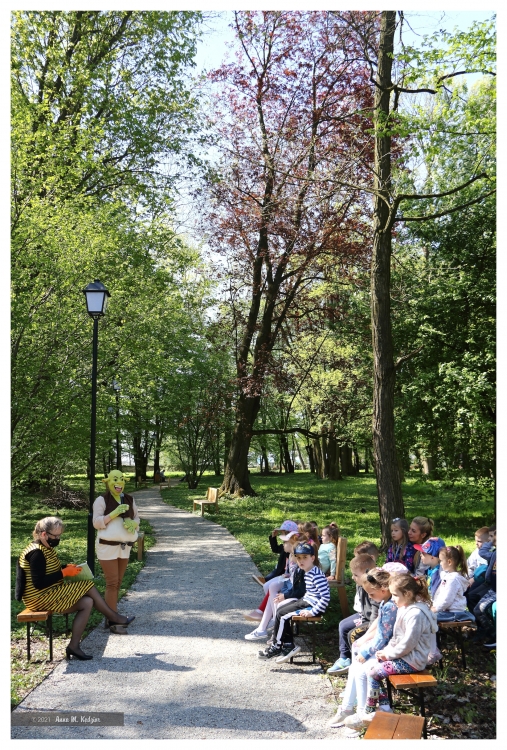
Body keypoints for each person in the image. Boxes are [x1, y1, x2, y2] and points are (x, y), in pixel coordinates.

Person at [16, 517, 134, 660]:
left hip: (49, 594)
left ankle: (73, 646)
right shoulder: (36, 553)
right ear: (43, 534)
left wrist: (65, 567)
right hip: (39, 598)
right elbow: (39, 583)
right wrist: (64, 573)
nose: (58, 539)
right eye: (55, 536)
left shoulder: (45, 547)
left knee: (87, 602)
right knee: (87, 585)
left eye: (59, 535)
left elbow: (45, 570)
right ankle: (113, 617)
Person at [353, 573, 438, 728]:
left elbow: (407, 644)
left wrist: (389, 655)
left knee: (373, 672)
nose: (392, 599)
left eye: (395, 595)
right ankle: (385, 708)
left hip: (413, 661)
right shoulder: (404, 608)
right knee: (373, 668)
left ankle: (369, 711)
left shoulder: (415, 614)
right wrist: (386, 651)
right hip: (405, 656)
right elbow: (396, 637)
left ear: (408, 594)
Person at [328, 569, 397, 728]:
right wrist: (363, 640)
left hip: (389, 651)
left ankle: (361, 715)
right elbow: (378, 625)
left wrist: (367, 652)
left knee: (361, 671)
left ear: (383, 589)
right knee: (355, 666)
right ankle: (348, 709)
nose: (370, 597)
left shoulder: (391, 606)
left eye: (371, 594)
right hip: (383, 648)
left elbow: (384, 636)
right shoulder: (385, 601)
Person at [258, 540, 330, 664]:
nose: (301, 561)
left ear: (312, 558)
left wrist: (313, 612)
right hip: (306, 601)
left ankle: (276, 646)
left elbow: (325, 597)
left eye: (305, 557)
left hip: (312, 606)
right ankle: (288, 644)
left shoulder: (316, 574)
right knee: (280, 610)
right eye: (298, 558)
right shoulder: (308, 571)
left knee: (282, 614)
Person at [93, 469, 140, 634]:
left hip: (124, 547)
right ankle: (114, 621)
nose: (118, 483)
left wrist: (134, 524)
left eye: (121, 479)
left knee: (118, 583)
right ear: (108, 482)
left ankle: (110, 617)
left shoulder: (129, 499)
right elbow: (96, 522)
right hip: (107, 547)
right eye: (114, 479)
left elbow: (137, 518)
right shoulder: (101, 500)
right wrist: (113, 514)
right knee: (112, 583)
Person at [244, 530, 302, 640]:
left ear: (292, 544)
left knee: (274, 591)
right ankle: (267, 625)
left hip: (293, 592)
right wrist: (287, 575)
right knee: (271, 587)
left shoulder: (299, 559)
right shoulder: (291, 556)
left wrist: (285, 594)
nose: (283, 545)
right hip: (289, 585)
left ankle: (273, 625)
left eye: (285, 542)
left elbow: (300, 585)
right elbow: (292, 573)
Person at [327, 553, 379, 675]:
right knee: (343, 625)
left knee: (352, 634)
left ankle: (358, 662)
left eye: (356, 575)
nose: (352, 577)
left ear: (367, 573)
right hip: (364, 616)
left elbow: (375, 613)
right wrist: (361, 618)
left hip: (372, 622)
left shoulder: (373, 587)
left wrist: (369, 628)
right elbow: (363, 607)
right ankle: (345, 658)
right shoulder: (360, 584)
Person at [431, 545, 475, 622]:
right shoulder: (448, 576)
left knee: (428, 617)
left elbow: (447, 600)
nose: (440, 563)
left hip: (453, 613)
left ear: (449, 562)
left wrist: (435, 609)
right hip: (447, 611)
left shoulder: (453, 579)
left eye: (441, 561)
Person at [251, 520, 299, 587]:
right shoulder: (285, 546)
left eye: (282, 533)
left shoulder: (291, 547)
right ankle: (266, 580)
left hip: (284, 572)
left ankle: (266, 581)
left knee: (276, 574)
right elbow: (275, 549)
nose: (281, 535)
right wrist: (273, 537)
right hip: (281, 570)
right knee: (275, 573)